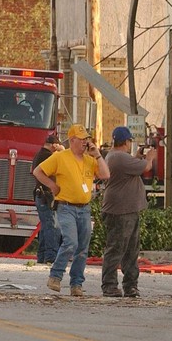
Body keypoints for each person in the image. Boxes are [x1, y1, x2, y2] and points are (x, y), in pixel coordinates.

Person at [33, 124, 109, 297]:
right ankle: (55, 275)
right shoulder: (60, 157)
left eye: (86, 139)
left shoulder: (90, 160)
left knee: (83, 248)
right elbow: (38, 171)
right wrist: (52, 185)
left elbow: (105, 175)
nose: (85, 142)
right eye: (81, 139)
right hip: (66, 206)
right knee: (70, 242)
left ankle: (76, 284)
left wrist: (97, 155)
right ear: (72, 140)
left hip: (84, 209)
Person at [100, 126, 157, 297]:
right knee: (117, 249)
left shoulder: (116, 156)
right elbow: (146, 167)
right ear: (126, 141)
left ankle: (130, 285)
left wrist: (137, 157)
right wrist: (150, 157)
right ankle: (110, 285)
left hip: (128, 209)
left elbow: (131, 165)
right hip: (121, 211)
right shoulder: (119, 157)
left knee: (131, 250)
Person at [32, 133, 63, 265]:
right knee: (52, 226)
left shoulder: (39, 155)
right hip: (46, 195)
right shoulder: (48, 156)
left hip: (41, 195)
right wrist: (61, 150)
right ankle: (51, 256)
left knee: (46, 226)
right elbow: (62, 162)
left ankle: (43, 255)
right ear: (53, 145)